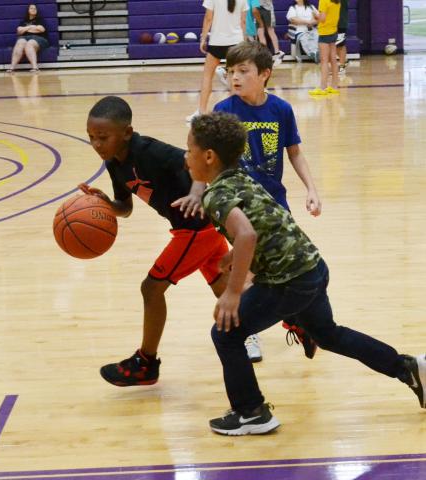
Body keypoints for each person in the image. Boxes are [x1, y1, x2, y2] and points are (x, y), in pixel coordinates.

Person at [185, 111, 426, 436]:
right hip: (312, 266)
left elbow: (247, 235)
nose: (186, 157)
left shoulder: (216, 194)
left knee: (225, 334)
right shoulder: (242, 177)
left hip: (288, 281)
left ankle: (252, 412)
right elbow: (265, 223)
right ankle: (408, 369)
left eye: (189, 150)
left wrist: (232, 292)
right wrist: (233, 257)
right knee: (328, 334)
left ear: (209, 157)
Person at [79, 95, 230, 387]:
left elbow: (196, 160)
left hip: (197, 228)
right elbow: (126, 208)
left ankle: (146, 363)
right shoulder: (114, 163)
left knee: (151, 288)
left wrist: (197, 193)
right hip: (195, 230)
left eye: (103, 137)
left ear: (127, 133)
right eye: (91, 137)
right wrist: (105, 204)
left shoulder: (150, 152)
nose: (96, 144)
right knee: (227, 293)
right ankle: (296, 320)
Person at [214, 41, 321, 362]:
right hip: (238, 207)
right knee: (245, 271)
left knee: (282, 273)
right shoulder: (224, 112)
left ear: (264, 75)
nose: (235, 77)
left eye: (243, 71)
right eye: (230, 71)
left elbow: (295, 153)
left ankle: (296, 321)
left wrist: (311, 189)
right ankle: (248, 335)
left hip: (275, 206)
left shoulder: (281, 110)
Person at [185, 0, 248, 122]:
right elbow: (243, 21)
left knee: (207, 76)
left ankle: (201, 112)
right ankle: (234, 112)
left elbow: (208, 18)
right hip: (236, 41)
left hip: (217, 41)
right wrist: (244, 41)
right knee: (235, 76)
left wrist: (203, 39)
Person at [308, 0, 341, 96]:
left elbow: (322, 18)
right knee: (333, 60)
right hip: (333, 30)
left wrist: (315, 15)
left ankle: (323, 87)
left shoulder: (323, 0)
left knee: (324, 61)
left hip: (324, 32)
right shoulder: (337, 1)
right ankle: (334, 86)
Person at [7, 4, 49, 73]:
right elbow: (19, 31)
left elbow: (41, 29)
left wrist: (25, 29)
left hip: (39, 38)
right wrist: (31, 27)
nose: (33, 9)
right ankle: (12, 68)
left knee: (30, 43)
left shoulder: (40, 20)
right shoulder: (23, 21)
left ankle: (35, 68)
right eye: (31, 8)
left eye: (35, 8)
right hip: (24, 37)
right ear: (28, 10)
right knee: (20, 42)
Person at [256, 0, 285, 65]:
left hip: (267, 8)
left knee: (270, 30)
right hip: (257, 8)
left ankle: (277, 53)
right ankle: (264, 54)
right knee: (260, 32)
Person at [336, 0, 349, 74]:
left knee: (340, 45)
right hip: (331, 24)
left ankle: (342, 66)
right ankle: (344, 60)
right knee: (333, 45)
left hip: (341, 23)